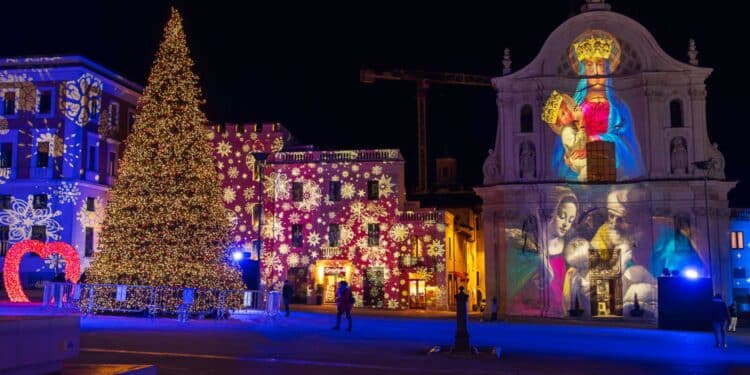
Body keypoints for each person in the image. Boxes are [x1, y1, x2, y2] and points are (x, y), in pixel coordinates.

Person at [551, 30, 646, 181]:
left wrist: (594, 140)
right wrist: (568, 155)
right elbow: (563, 145)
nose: (595, 72)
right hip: (579, 175)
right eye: (589, 65)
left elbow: (627, 141)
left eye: (600, 65)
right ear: (583, 70)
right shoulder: (573, 108)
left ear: (607, 68)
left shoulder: (619, 108)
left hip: (614, 171)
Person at [542, 90, 587, 181]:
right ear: (559, 123)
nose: (567, 113)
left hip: (578, 155)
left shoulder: (572, 125)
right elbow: (575, 146)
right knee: (590, 164)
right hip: (576, 159)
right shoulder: (566, 131)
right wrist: (582, 131)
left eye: (566, 108)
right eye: (563, 114)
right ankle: (582, 179)